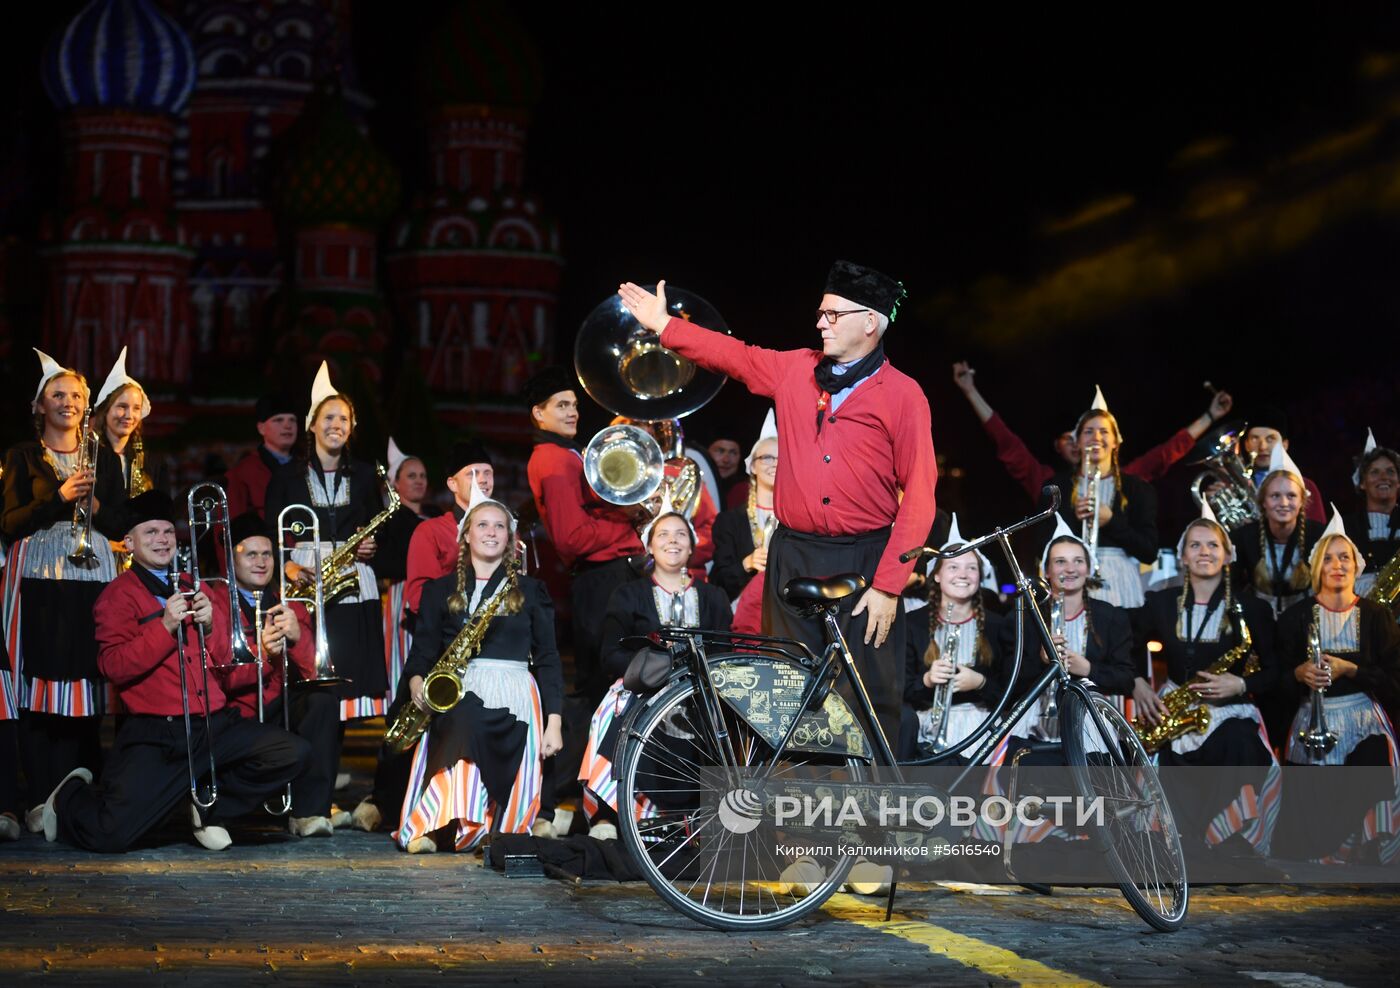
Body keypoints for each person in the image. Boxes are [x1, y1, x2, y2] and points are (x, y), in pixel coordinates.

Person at [619, 262, 937, 750]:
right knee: (786, 690)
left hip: (866, 561)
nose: (820, 323)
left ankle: (870, 815)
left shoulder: (903, 395)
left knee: (868, 693)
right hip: (794, 557)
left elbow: (920, 493)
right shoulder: (796, 370)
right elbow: (734, 356)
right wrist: (666, 326)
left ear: (869, 322)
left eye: (833, 314)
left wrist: (889, 586)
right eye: (821, 313)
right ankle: (793, 812)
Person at [41, 490, 308, 852]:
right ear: (129, 543)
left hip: (214, 724)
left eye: (167, 531)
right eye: (150, 532)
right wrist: (164, 625)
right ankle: (68, 796)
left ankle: (207, 807)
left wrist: (213, 626)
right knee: (110, 835)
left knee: (291, 752)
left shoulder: (193, 586)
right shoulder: (117, 596)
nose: (162, 539)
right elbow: (113, 666)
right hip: (158, 732)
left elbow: (221, 662)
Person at [395, 488, 564, 853]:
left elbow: (548, 657)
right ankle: (439, 823)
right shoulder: (440, 590)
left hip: (517, 693)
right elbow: (422, 650)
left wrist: (554, 722)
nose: (491, 532)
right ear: (465, 535)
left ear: (510, 537)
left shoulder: (533, 591)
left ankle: (488, 825)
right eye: (482, 525)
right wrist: (416, 683)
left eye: (499, 526)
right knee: (463, 721)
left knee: (471, 724)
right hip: (458, 685)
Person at [2, 350, 126, 831]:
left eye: (75, 395)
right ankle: (36, 796)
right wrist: (58, 499)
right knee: (41, 684)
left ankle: (76, 799)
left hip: (93, 576)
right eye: (57, 395)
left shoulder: (105, 458)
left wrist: (94, 505)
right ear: (39, 407)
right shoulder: (21, 456)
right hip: (39, 577)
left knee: (84, 682)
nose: (67, 402)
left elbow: (123, 521)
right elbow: (9, 522)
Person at [264, 362, 387, 828]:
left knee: (339, 702)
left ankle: (318, 802)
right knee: (312, 700)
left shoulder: (364, 475)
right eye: (328, 418)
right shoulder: (287, 479)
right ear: (312, 424)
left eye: (344, 420)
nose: (336, 426)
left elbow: (381, 535)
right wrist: (289, 564)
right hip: (305, 591)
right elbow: (272, 539)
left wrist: (373, 545)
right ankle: (303, 802)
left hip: (353, 588)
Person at [350, 440, 494, 834]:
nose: (481, 480)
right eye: (472, 474)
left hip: (493, 652)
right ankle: (386, 800)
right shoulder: (432, 530)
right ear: (452, 483)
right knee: (407, 717)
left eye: (487, 474)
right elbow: (416, 596)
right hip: (441, 645)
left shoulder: (502, 528)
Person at [1132, 509, 1280, 858]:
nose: (1204, 552)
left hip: (1229, 709)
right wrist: (1138, 682)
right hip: (1176, 706)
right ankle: (1177, 848)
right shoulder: (1161, 602)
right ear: (1182, 556)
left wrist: (1241, 685)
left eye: (1213, 545)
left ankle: (1228, 846)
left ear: (1228, 555)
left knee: (1240, 745)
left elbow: (1276, 670)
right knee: (1159, 759)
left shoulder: (1252, 608)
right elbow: (1128, 641)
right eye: (1195, 545)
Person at [577, 511, 732, 838]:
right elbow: (611, 655)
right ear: (649, 546)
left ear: (692, 547)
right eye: (663, 535)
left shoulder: (713, 597)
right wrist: (656, 669)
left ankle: (688, 819)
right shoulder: (628, 595)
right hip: (642, 687)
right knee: (614, 713)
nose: (672, 541)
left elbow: (724, 654)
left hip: (698, 693)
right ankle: (609, 814)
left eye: (680, 534)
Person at [1274, 511, 1400, 863]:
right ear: (1316, 568)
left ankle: (1361, 847)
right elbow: (1276, 680)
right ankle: (1321, 852)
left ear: (1356, 565)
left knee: (1375, 761)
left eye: (1344, 556)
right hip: (1312, 720)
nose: (1337, 564)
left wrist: (1351, 669)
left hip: (1363, 719)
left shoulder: (1378, 617)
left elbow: (1394, 680)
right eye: (1328, 558)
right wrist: (1299, 674)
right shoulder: (1294, 618)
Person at [206, 512, 341, 838]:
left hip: (276, 701)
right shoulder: (216, 600)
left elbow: (314, 671)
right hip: (234, 711)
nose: (261, 562)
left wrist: (297, 639)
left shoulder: (288, 601)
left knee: (322, 699)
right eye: (251, 554)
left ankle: (310, 812)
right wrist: (263, 654)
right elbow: (219, 677)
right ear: (231, 558)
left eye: (267, 554)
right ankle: (214, 808)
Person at [524, 366, 644, 701]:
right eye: (561, 405)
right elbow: (571, 538)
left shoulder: (565, 452)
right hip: (600, 581)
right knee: (605, 685)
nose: (572, 411)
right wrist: (627, 519)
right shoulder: (552, 460)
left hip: (607, 577)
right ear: (539, 413)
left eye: (574, 404)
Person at [951, 362, 1234, 494]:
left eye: (1100, 434)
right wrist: (970, 392)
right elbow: (1008, 443)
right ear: (1059, 448)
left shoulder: (1127, 481)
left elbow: (1165, 454)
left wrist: (1210, 416)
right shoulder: (1051, 486)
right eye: (1072, 437)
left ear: (1113, 442)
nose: (1085, 442)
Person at [901, 515, 1009, 763]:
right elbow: (899, 690)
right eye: (953, 567)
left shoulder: (998, 625)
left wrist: (981, 682)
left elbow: (1013, 691)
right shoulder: (912, 623)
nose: (963, 574)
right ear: (936, 576)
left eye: (971, 568)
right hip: (926, 730)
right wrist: (926, 680)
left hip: (983, 728)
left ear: (980, 576)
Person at [1042, 389, 1158, 610]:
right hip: (1070, 581)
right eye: (1089, 431)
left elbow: (1149, 552)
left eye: (1104, 431)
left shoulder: (1138, 488)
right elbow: (1043, 547)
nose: (1096, 438)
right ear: (1077, 441)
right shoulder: (1058, 487)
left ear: (1115, 441)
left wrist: (1111, 521)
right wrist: (1073, 521)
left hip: (1121, 587)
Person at [376, 437, 444, 708]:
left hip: (438, 593)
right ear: (396, 482)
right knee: (403, 655)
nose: (419, 481)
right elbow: (383, 562)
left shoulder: (436, 513)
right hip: (403, 594)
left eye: (423, 476)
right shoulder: (391, 520)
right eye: (411, 476)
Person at [1231, 442, 1321, 619]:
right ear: (1263, 502)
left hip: (1307, 621)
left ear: (1302, 501)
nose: (1283, 503)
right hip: (1258, 621)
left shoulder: (1320, 536)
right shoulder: (1243, 537)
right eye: (1275, 496)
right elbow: (1232, 587)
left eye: (1291, 496)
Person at [710, 410, 778, 604]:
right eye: (767, 458)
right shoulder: (730, 521)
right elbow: (718, 581)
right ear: (753, 466)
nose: (774, 464)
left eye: (781, 458)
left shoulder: (798, 520)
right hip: (742, 612)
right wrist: (746, 564)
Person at [92, 346, 157, 497]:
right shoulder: (90, 457)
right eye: (122, 406)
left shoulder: (147, 462)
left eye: (136, 408)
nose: (129, 415)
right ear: (105, 410)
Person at [1241, 407, 1325, 523]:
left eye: (1270, 439)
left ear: (1285, 445)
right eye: (1255, 438)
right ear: (1246, 445)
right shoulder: (1232, 486)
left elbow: (1320, 535)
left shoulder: (1306, 486)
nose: (1262, 447)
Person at [224, 393, 300, 520]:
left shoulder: (307, 467)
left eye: (292, 420)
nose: (288, 425)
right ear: (261, 428)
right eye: (278, 420)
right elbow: (231, 523)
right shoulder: (244, 471)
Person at [1344, 435, 1399, 596]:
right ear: (1362, 483)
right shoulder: (1346, 527)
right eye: (1375, 472)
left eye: (1390, 471)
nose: (1384, 477)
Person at [708, 436, 747, 508]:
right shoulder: (696, 485)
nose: (726, 460)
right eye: (720, 451)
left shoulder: (745, 492)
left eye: (733, 453)